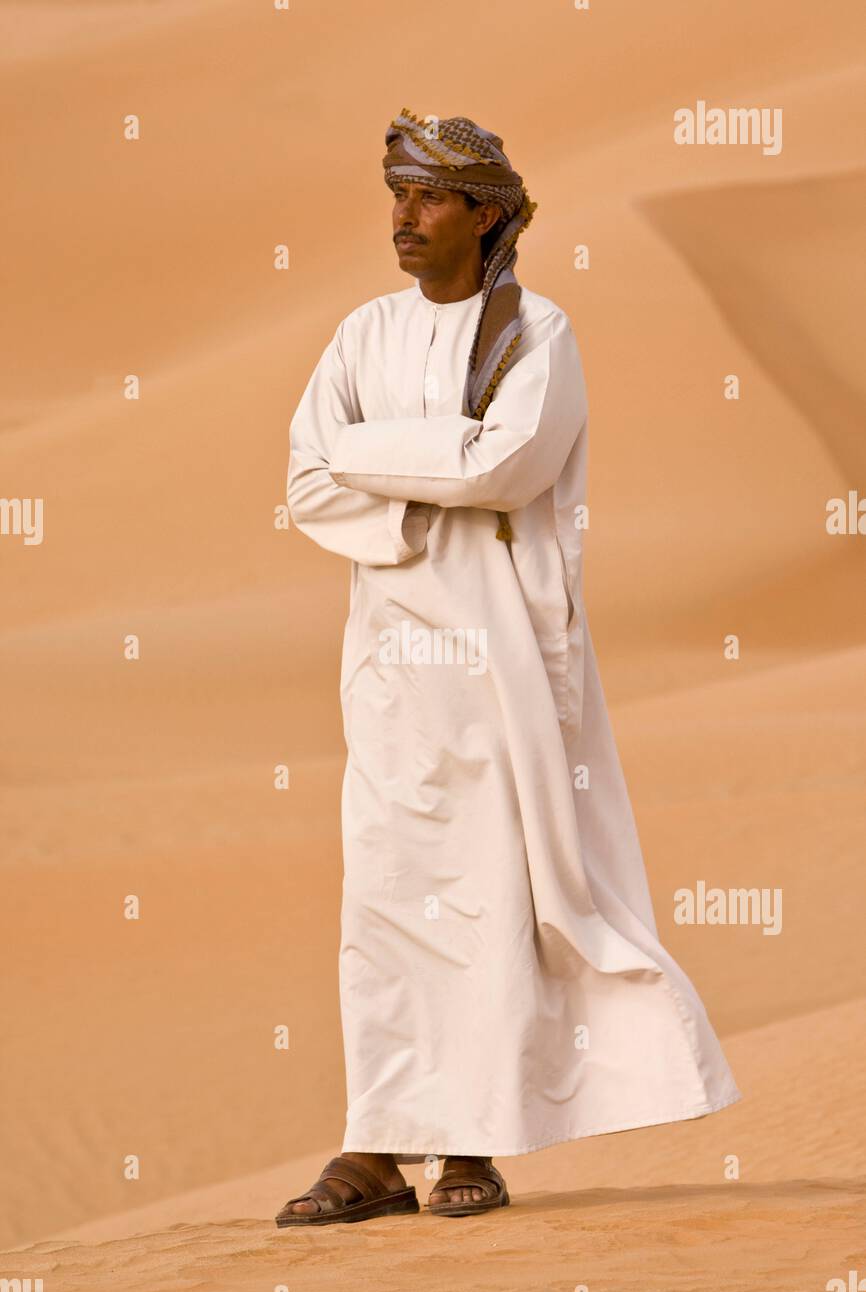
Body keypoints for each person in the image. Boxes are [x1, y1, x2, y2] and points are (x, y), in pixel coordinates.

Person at [276, 109, 741, 1227]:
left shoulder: (539, 336)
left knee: (491, 896)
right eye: (395, 195)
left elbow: (507, 466)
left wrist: (371, 452)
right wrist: (423, 460)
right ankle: (377, 1147)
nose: (401, 216)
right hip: (390, 669)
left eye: (426, 197)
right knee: (384, 901)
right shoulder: (359, 336)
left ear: (484, 212)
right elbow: (304, 481)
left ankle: (471, 1146)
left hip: (502, 668)